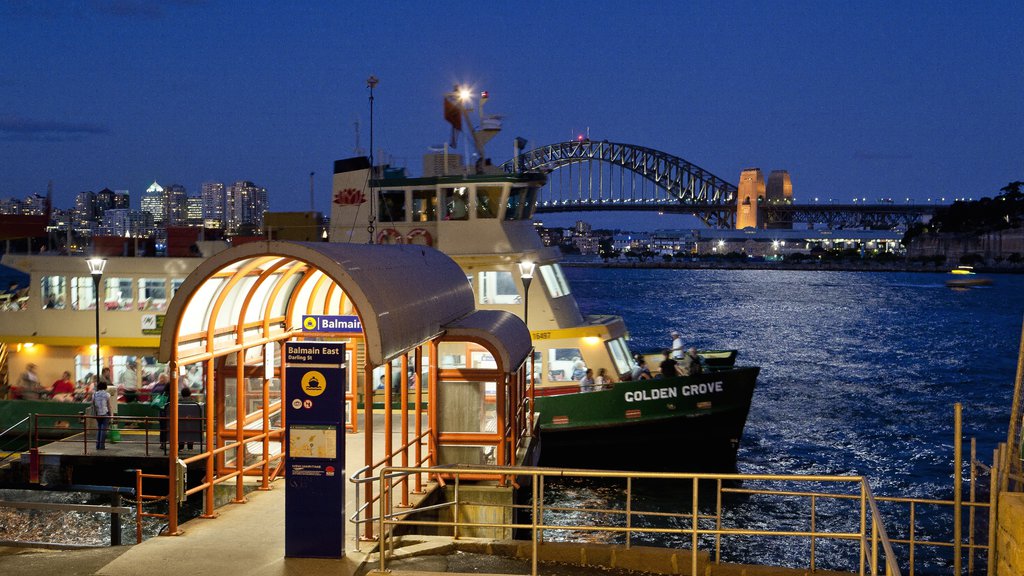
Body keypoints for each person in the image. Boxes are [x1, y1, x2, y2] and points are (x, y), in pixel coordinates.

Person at [93, 381, 114, 450]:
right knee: (103, 430)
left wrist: (94, 414)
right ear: (105, 387)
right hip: (105, 413)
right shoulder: (106, 394)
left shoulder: (94, 394)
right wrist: (111, 415)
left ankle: (97, 446)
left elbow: (93, 405)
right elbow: (108, 405)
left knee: (99, 429)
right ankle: (102, 446)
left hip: (97, 414)